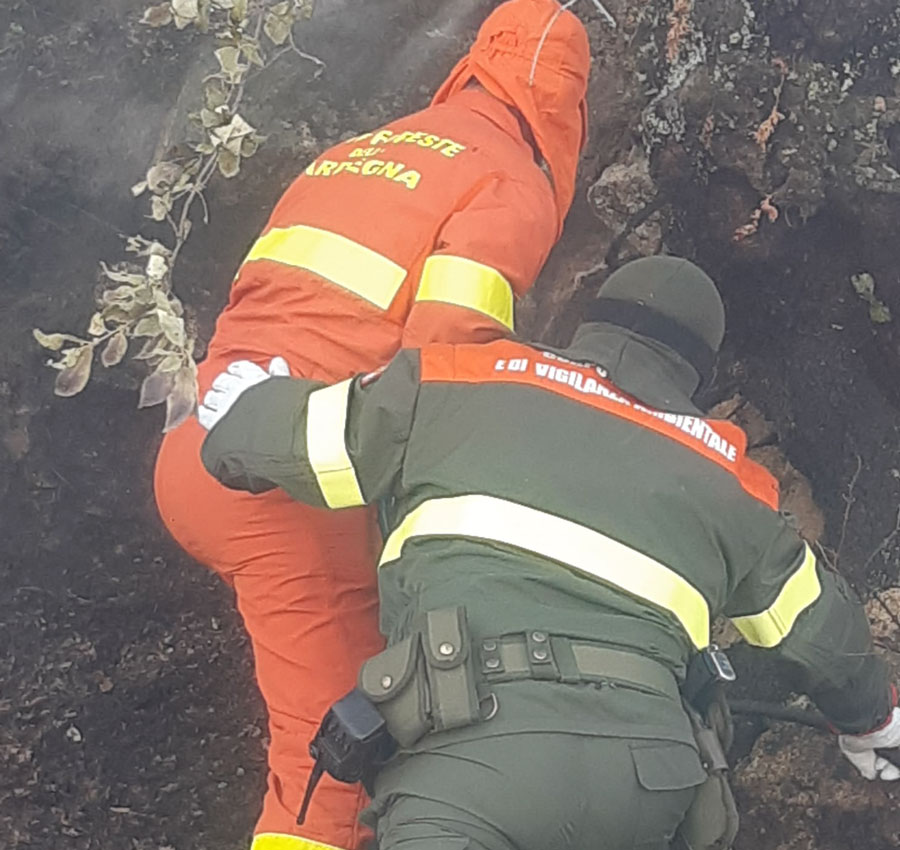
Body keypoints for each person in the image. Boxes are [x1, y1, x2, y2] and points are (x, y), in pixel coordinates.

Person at [198, 255, 899, 850]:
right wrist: (872, 721)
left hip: (470, 760)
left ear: (587, 321)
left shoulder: (455, 383)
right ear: (695, 375)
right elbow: (820, 633)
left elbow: (286, 445)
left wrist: (245, 407)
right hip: (647, 779)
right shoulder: (732, 482)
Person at [153, 2, 591, 848]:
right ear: (562, 109)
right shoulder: (509, 178)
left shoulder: (364, 151)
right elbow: (444, 362)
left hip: (203, 444)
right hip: (292, 488)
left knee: (315, 707)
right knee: (335, 769)